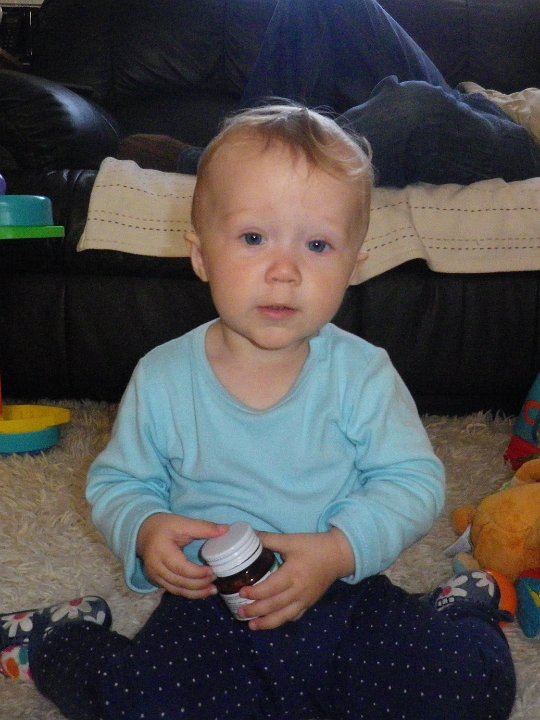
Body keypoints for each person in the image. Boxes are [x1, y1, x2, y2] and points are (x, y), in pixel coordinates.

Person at [0, 103, 515, 720]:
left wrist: (338, 550)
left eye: (317, 244)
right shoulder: (164, 376)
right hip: (209, 607)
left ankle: (460, 607)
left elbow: (413, 480)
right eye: (253, 238)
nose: (284, 271)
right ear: (201, 255)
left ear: (353, 267)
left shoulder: (361, 372)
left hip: (335, 588)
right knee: (146, 704)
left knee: (467, 693)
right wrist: (144, 528)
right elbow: (119, 483)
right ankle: (56, 638)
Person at [119, 0, 540, 188]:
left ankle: (217, 166)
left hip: (521, 146)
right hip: (482, 101)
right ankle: (243, 145)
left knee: (414, 104)